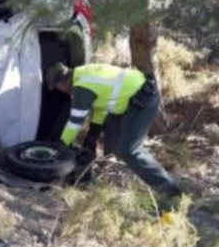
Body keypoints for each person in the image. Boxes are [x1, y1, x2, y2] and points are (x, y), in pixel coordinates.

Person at [45, 62, 183, 218]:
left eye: (57, 88)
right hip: (127, 101)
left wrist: (62, 146)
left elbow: (75, 122)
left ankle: (171, 190)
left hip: (142, 100)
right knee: (111, 148)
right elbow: (102, 104)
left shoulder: (81, 87)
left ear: (61, 83)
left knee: (129, 151)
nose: (60, 92)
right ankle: (111, 186)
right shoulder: (82, 73)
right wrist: (93, 133)